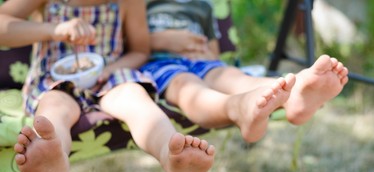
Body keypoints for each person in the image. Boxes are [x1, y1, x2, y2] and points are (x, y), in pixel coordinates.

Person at [0, 0, 215, 172]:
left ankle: (173, 158)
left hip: (109, 74)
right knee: (55, 108)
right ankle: (53, 165)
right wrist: (54, 29)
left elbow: (140, 51)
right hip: (54, 79)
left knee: (135, 97)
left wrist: (112, 69)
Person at [140, 0, 349, 143]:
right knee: (187, 87)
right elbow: (127, 44)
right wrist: (163, 40)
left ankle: (294, 95)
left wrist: (205, 54)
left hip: (203, 63)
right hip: (160, 64)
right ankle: (238, 109)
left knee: (232, 77)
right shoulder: (142, 3)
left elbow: (214, 52)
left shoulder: (203, 5)